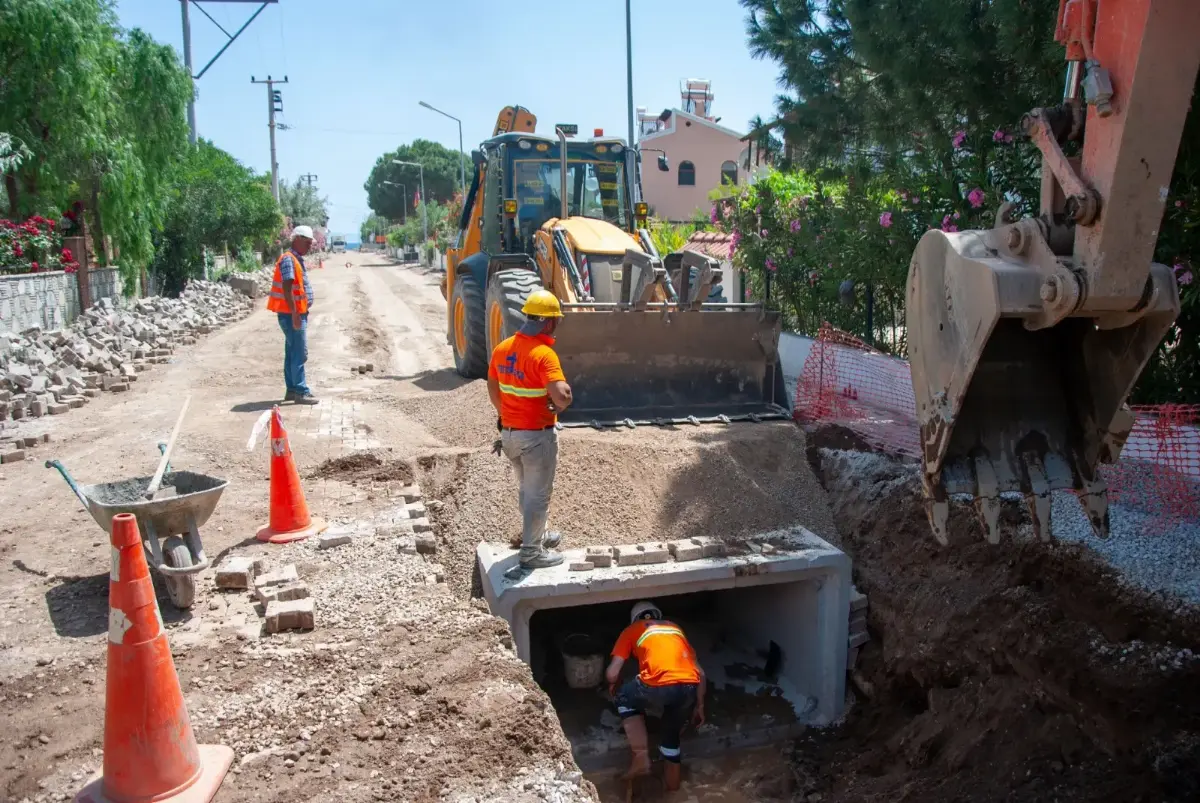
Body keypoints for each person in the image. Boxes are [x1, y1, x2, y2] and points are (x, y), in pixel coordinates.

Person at [487, 290, 573, 569]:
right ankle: (532, 553)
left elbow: (492, 386)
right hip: (536, 437)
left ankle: (540, 534)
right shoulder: (543, 355)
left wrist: (505, 413)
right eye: (555, 320)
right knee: (538, 495)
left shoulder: (503, 348)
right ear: (548, 323)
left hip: (509, 435)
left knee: (527, 490)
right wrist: (561, 404)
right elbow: (561, 395)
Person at [606, 600, 707, 791]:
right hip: (688, 687)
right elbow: (700, 674)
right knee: (671, 737)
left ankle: (641, 755)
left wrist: (613, 684)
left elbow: (612, 673)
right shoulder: (675, 628)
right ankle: (673, 788)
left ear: (634, 620)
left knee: (624, 698)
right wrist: (699, 706)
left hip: (658, 683)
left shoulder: (631, 630)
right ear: (658, 616)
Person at [267, 226, 318, 404]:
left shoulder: (295, 259)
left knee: (291, 352)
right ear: (297, 239)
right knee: (299, 353)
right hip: (292, 315)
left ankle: (291, 389)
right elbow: (288, 287)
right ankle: (300, 391)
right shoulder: (289, 260)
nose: (310, 246)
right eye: (308, 242)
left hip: (293, 314)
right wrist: (295, 313)